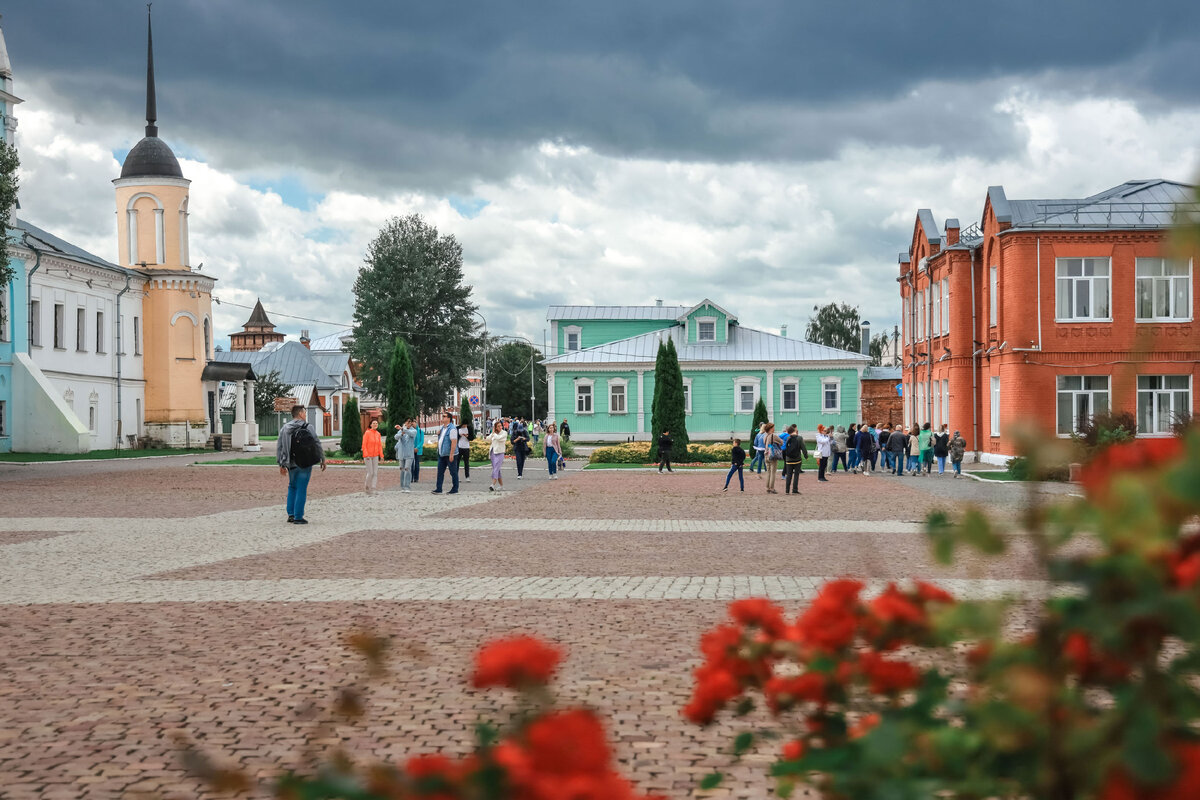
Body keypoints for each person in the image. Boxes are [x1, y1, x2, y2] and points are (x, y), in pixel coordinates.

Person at [277, 404, 326, 524]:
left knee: (292, 486)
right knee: (302, 488)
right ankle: (299, 517)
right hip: (305, 462)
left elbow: (280, 446)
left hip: (291, 462)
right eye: (304, 412)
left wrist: (281, 463)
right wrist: (322, 458)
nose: (305, 415)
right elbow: (316, 443)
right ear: (300, 414)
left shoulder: (285, 428)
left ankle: (291, 514)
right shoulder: (308, 427)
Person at [432, 412, 460, 494]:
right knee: (440, 471)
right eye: (442, 416)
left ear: (449, 418)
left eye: (444, 416)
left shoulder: (452, 429)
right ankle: (439, 488)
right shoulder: (442, 428)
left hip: (450, 454)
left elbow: (454, 442)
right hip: (442, 454)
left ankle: (455, 488)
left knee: (453, 472)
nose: (442, 417)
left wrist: (451, 454)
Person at [394, 419, 417, 493]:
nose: (408, 423)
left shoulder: (414, 430)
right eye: (407, 422)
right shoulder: (401, 430)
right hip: (401, 453)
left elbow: (411, 434)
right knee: (402, 469)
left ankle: (407, 486)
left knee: (407, 469)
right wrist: (401, 433)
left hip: (409, 453)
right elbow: (396, 437)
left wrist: (403, 429)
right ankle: (402, 486)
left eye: (410, 422)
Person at [362, 418, 383, 494]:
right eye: (373, 423)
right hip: (368, 456)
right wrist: (366, 454)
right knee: (370, 472)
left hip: (375, 455)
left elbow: (379, 445)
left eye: (376, 423)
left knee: (375, 472)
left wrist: (381, 455)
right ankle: (367, 485)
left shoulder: (378, 434)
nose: (375, 425)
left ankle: (373, 487)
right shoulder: (367, 433)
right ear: (370, 425)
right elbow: (364, 445)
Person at [784, 426, 807, 494]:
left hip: (788, 459)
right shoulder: (799, 438)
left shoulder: (788, 438)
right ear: (794, 430)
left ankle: (787, 490)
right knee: (796, 475)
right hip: (797, 459)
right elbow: (803, 448)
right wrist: (806, 456)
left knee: (789, 475)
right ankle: (794, 489)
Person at [762, 423, 783, 494]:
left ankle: (767, 487)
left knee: (768, 472)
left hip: (766, 455)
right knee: (773, 473)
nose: (774, 429)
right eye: (773, 427)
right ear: (770, 428)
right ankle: (772, 488)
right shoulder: (773, 436)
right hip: (772, 455)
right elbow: (782, 442)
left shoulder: (765, 436)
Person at [488, 420, 508, 492]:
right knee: (497, 469)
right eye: (498, 426)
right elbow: (488, 439)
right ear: (495, 427)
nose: (500, 427)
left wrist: (494, 434)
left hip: (500, 452)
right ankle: (501, 485)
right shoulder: (494, 433)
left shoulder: (504, 433)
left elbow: (499, 438)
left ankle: (492, 484)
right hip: (493, 452)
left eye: (501, 426)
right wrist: (491, 433)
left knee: (496, 468)